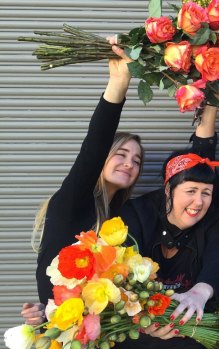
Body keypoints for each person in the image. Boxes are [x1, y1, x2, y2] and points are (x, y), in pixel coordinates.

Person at [22, 43, 144, 326]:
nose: (129, 164)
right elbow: (93, 147)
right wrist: (118, 83)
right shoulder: (73, 201)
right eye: (121, 155)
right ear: (103, 158)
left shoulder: (120, 220)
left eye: (137, 161)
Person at [114, 101, 219, 348]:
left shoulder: (213, 220)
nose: (198, 202)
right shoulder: (136, 214)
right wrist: (146, 317)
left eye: (206, 193)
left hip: (189, 331)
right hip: (139, 326)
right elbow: (123, 268)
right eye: (191, 190)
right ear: (168, 189)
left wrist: (200, 292)